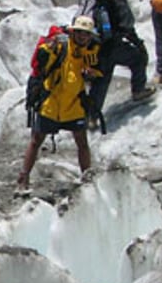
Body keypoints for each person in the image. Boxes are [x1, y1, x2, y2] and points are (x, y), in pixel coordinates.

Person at [17, 15, 100, 193]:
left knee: (81, 141)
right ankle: (23, 180)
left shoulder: (89, 50)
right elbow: (43, 60)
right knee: (36, 140)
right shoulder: (61, 45)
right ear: (74, 32)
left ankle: (87, 177)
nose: (83, 37)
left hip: (73, 104)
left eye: (86, 34)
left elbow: (95, 69)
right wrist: (48, 49)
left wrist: (91, 74)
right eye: (80, 33)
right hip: (51, 103)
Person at [86, 0, 155, 122]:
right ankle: (138, 90)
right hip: (113, 45)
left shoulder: (101, 1)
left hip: (98, 46)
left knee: (101, 81)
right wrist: (137, 44)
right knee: (138, 58)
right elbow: (126, 26)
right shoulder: (118, 1)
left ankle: (90, 117)